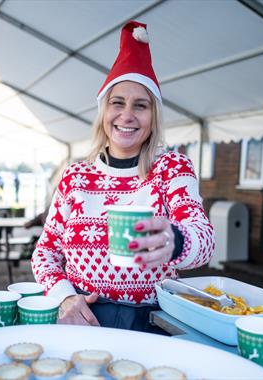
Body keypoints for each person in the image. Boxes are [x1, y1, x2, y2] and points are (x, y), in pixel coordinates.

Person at [31, 21, 215, 332]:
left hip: (154, 320)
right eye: (117, 103)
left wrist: (177, 240)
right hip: (86, 318)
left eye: (140, 106)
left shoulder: (172, 168)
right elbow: (45, 252)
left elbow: (205, 241)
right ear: (103, 112)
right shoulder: (76, 176)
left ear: (152, 116)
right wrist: (64, 298)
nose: (127, 115)